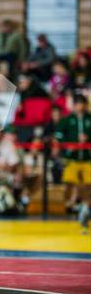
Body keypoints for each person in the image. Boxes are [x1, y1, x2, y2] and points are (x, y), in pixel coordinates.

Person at [55, 94, 91, 226]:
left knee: (88, 184)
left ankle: (85, 206)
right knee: (69, 183)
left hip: (87, 158)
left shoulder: (89, 118)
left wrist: (87, 139)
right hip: (72, 159)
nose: (80, 106)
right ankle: (74, 204)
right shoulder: (67, 120)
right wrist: (68, 145)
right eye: (78, 103)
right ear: (74, 105)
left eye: (82, 103)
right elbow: (58, 136)